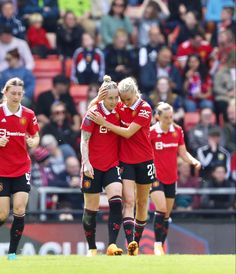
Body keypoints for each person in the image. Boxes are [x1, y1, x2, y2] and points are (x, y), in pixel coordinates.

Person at [89, 77, 156, 255]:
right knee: (129, 201)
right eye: (122, 99)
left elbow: (127, 133)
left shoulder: (145, 109)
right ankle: (131, 242)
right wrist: (97, 98)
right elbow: (92, 110)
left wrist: (105, 124)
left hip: (145, 159)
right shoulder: (119, 105)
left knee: (142, 204)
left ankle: (137, 243)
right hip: (126, 160)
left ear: (135, 92)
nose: (124, 102)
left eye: (128, 99)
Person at [149, 102, 201, 255]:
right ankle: (157, 245)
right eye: (166, 117)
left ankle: (161, 246)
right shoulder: (151, 132)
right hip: (155, 176)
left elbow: (183, 153)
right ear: (157, 117)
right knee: (161, 208)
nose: (169, 120)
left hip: (171, 178)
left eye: (171, 117)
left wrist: (194, 161)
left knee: (166, 215)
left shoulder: (178, 131)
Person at [80, 75, 123, 256]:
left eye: (116, 97)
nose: (114, 101)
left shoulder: (120, 112)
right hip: (93, 167)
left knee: (116, 202)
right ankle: (91, 248)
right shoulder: (93, 113)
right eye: (110, 98)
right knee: (91, 209)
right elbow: (84, 140)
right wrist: (86, 162)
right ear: (103, 97)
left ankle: (112, 245)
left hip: (111, 166)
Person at [0, 77, 40, 260]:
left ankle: (13, 253)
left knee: (19, 209)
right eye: (12, 93)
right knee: (2, 214)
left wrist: (33, 141)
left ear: (23, 94)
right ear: (5, 93)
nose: (16, 96)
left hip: (21, 168)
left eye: (19, 93)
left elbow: (36, 135)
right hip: (1, 170)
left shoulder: (29, 114)